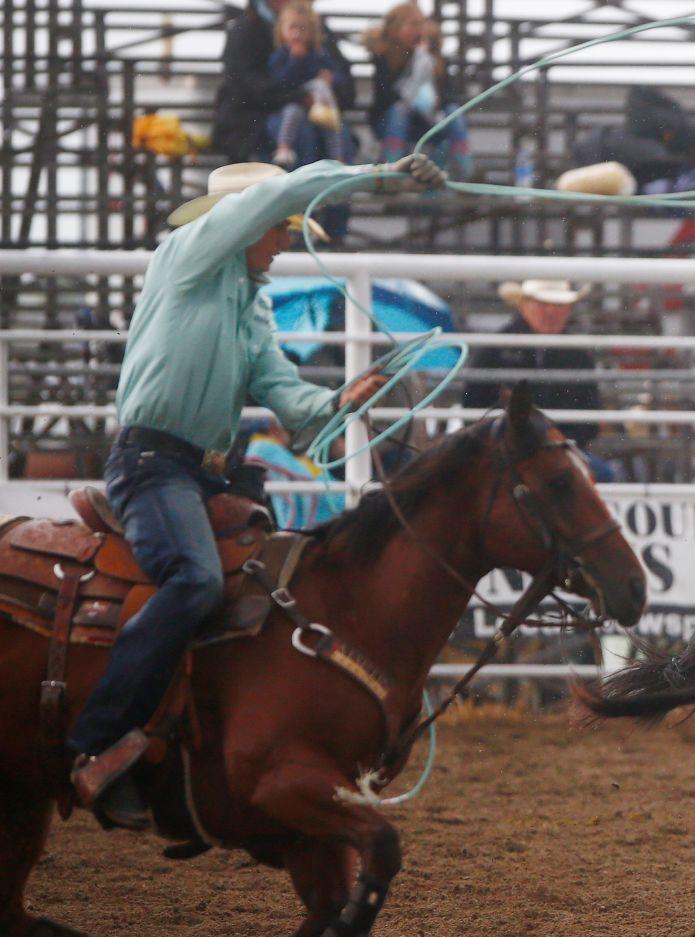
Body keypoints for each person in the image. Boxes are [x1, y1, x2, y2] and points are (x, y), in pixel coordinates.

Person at [66, 153, 447, 831]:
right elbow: (290, 189)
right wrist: (381, 176)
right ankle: (95, 740)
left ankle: (196, 749)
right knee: (194, 580)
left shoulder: (249, 302)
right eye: (281, 226)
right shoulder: (188, 254)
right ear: (247, 225)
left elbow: (292, 401)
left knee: (266, 590)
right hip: (152, 464)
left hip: (200, 472)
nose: (287, 238)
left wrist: (344, 401)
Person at [214, 1, 358, 238]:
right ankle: (300, 225)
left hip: (305, 116)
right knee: (303, 137)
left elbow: (346, 85)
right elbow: (245, 87)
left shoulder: (313, 27)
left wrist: (329, 87)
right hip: (259, 122)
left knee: (337, 137)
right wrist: (301, 96)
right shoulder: (247, 29)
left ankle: (331, 225)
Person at [462, 280, 616, 481]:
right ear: (523, 305)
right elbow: (473, 406)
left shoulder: (578, 355)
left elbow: (589, 419)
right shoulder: (495, 348)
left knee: (602, 475)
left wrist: (558, 442)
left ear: (569, 310)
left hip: (560, 449)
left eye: (559, 305)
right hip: (503, 450)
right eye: (542, 304)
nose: (551, 312)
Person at [364, 2, 473, 179]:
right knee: (400, 111)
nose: (419, 30)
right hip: (392, 123)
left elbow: (448, 94)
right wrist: (415, 69)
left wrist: (439, 100)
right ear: (396, 29)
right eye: (414, 25)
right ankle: (392, 172)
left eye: (421, 24)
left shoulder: (435, 58)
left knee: (453, 112)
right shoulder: (384, 58)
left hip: (426, 121)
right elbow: (386, 97)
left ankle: (464, 172)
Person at [266, 0, 346, 169]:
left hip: (320, 104)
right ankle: (284, 148)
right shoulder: (281, 55)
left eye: (302, 28)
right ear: (282, 31)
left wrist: (331, 78)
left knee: (332, 122)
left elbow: (337, 73)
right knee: (292, 114)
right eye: (292, 28)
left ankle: (338, 157)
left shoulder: (318, 53)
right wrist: (295, 60)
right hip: (294, 102)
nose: (297, 34)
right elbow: (281, 81)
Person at [237, 415, 346, 529]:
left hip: (332, 504)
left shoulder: (280, 454)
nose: (294, 434)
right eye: (290, 430)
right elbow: (306, 477)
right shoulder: (263, 447)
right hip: (328, 510)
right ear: (274, 429)